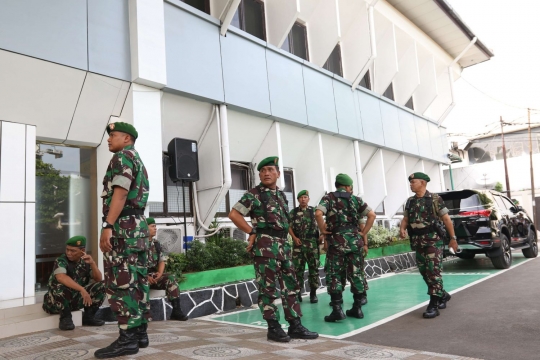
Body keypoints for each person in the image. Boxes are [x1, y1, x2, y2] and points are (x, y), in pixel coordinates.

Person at [229, 156, 318, 343]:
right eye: (263, 171)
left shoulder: (281, 195)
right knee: (267, 289)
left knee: (291, 286)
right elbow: (234, 214)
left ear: (278, 173)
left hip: (284, 246)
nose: (266, 173)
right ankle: (273, 327)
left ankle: (295, 325)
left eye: (270, 170)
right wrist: (251, 230)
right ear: (259, 174)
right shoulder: (254, 194)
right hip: (265, 247)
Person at [95, 122, 150, 359]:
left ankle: (127, 339)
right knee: (137, 280)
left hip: (122, 228)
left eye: (113, 135)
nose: (109, 139)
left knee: (121, 282)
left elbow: (121, 192)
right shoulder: (138, 160)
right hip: (137, 227)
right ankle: (139, 334)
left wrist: (107, 225)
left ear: (126, 138)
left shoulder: (121, 158)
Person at [315, 174, 376, 322]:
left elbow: (318, 213)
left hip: (336, 242)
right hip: (355, 242)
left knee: (334, 274)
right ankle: (357, 308)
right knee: (356, 273)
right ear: (348, 187)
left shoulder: (328, 198)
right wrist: (363, 232)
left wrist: (323, 229)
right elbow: (372, 215)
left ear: (337, 185)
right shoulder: (356, 199)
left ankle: (337, 310)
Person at [399, 172, 458, 319]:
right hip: (418, 241)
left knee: (433, 271)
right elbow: (406, 218)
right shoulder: (410, 201)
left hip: (433, 240)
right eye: (411, 182)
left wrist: (453, 238)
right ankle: (442, 294)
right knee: (424, 271)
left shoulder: (435, 199)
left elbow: (446, 219)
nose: (411, 184)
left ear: (423, 183)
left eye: (414, 182)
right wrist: (402, 228)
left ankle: (434, 304)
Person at [42, 236, 105, 330]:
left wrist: (92, 263)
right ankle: (65, 319)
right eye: (67, 250)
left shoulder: (85, 262)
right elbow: (61, 277)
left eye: (73, 251)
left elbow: (98, 279)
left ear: (82, 250)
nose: (68, 253)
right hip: (55, 302)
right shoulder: (61, 260)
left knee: (103, 285)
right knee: (60, 285)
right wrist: (82, 289)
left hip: (74, 300)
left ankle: (89, 317)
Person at [146, 217, 188, 321]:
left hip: (153, 275)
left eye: (155, 226)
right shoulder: (138, 244)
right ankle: (145, 314)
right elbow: (134, 265)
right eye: (152, 226)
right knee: (141, 282)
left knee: (170, 278)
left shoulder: (156, 244)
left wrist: (159, 273)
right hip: (140, 275)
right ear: (144, 228)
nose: (155, 228)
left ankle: (176, 311)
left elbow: (161, 260)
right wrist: (145, 276)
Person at [289, 190, 321, 304]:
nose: (303, 199)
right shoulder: (293, 212)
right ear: (298, 200)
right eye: (301, 197)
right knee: (298, 270)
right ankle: (298, 293)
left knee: (314, 270)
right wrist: (294, 237)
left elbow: (322, 223)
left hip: (312, 244)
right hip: (299, 244)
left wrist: (321, 236)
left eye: (305, 197)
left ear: (308, 199)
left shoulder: (314, 211)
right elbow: (289, 227)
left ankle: (313, 293)